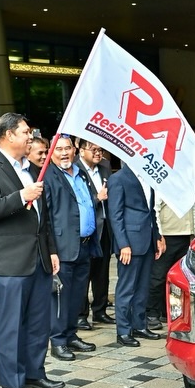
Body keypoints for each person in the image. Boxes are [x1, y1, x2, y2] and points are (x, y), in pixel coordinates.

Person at [0, 113, 65, 388]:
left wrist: (51, 250)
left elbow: (44, 217)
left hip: (38, 258)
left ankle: (35, 372)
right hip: (8, 263)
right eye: (25, 132)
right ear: (9, 135)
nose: (30, 136)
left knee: (38, 321)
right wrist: (22, 196)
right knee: (10, 325)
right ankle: (11, 381)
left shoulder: (32, 168)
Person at [43, 135, 99, 361]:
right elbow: (46, 218)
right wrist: (51, 250)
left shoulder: (80, 173)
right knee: (60, 297)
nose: (64, 153)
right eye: (59, 149)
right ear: (51, 153)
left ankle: (70, 334)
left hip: (84, 245)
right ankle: (58, 341)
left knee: (77, 295)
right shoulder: (48, 176)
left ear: (74, 150)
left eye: (67, 148)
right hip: (62, 248)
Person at [108, 163, 165, 347]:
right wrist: (123, 244)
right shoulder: (118, 178)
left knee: (142, 287)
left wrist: (157, 237)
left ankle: (139, 325)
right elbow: (115, 215)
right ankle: (123, 331)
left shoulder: (149, 178)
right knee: (127, 288)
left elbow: (151, 211)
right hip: (130, 243)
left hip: (147, 241)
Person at [146, 183, 195, 330]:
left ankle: (170, 312)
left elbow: (194, 210)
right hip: (167, 236)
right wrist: (158, 236)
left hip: (185, 236)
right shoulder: (162, 183)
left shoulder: (187, 184)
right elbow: (155, 210)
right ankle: (151, 313)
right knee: (158, 276)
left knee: (178, 279)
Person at [74, 138, 114, 330]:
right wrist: (97, 198)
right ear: (81, 151)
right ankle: (81, 314)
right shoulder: (74, 170)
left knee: (102, 271)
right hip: (87, 229)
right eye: (94, 150)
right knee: (84, 272)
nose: (98, 153)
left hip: (105, 228)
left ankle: (100, 309)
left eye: (100, 150)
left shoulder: (105, 168)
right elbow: (75, 199)